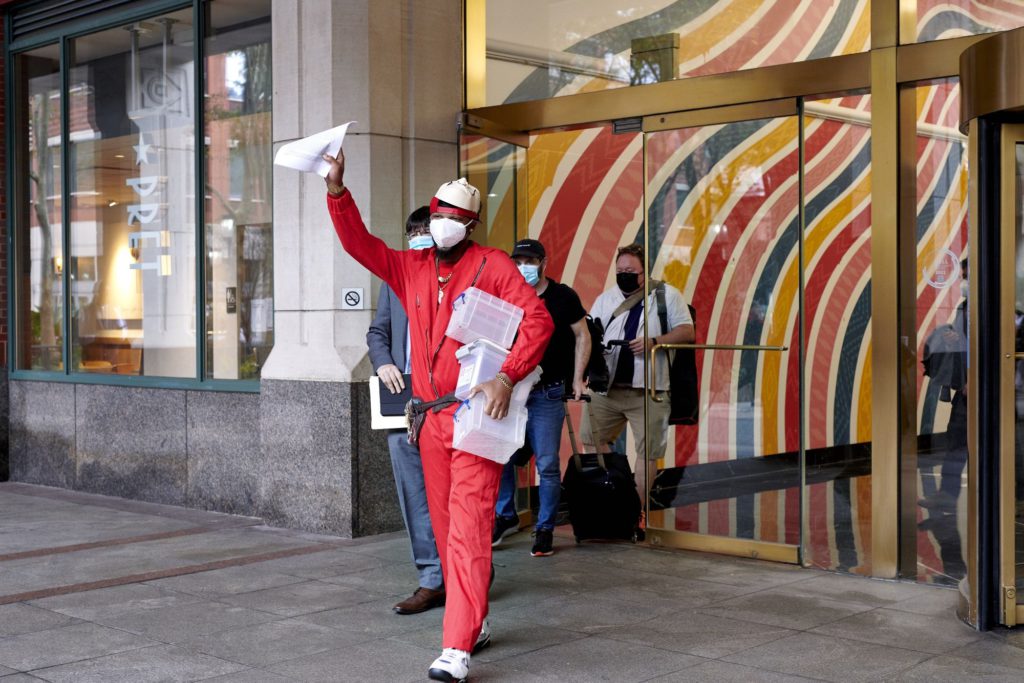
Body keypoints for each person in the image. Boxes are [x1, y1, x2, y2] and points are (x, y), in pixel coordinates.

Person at [323, 150, 553, 683]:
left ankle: (455, 648)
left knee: (469, 528)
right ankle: (473, 620)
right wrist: (337, 191)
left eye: (456, 217)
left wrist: (507, 376)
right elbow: (360, 245)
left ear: (471, 225)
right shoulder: (411, 267)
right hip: (429, 421)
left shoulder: (493, 266)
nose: (445, 224)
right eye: (439, 215)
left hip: (475, 415)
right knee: (448, 530)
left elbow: (538, 322)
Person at [366, 206, 444, 615]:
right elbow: (377, 331)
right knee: (414, 495)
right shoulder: (394, 279)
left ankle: (469, 571)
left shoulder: (459, 277)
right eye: (412, 233)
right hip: (403, 404)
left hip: (447, 402)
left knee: (453, 495)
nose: (418, 238)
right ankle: (432, 579)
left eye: (424, 231)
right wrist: (383, 362)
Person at [492, 238, 591, 557]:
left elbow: (583, 335)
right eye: (518, 261)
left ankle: (545, 527)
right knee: (501, 456)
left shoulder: (562, 296)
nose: (524, 267)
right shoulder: (506, 294)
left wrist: (578, 378)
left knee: (547, 463)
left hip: (547, 392)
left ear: (543, 263)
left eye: (530, 261)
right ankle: (505, 515)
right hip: (511, 391)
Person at [583, 243, 695, 504]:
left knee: (648, 452)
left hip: (649, 389)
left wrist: (654, 342)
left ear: (644, 272)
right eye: (620, 271)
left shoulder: (667, 296)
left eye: (631, 271)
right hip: (607, 389)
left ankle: (638, 510)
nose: (624, 275)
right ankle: (615, 499)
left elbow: (687, 331)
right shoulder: (605, 299)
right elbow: (588, 335)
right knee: (592, 440)